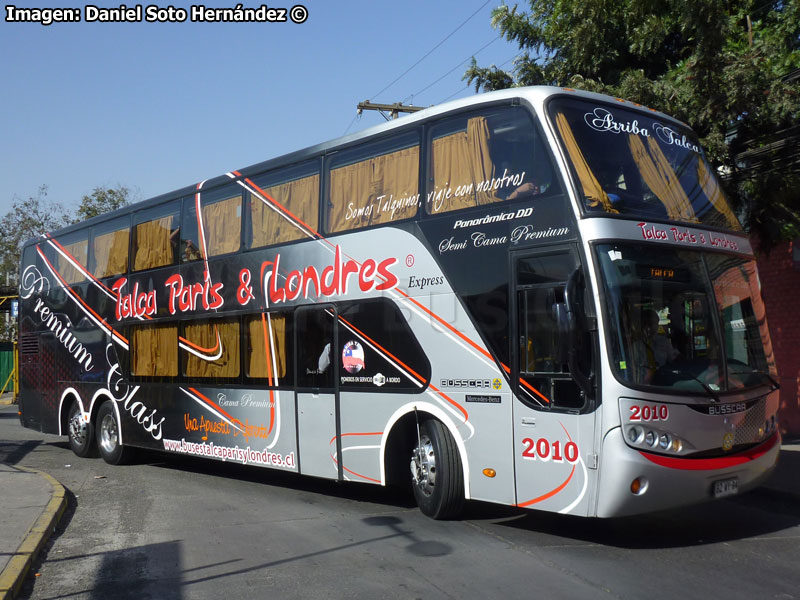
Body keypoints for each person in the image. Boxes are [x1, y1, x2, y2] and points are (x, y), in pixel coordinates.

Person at [633, 309, 679, 384]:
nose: (656, 326)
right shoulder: (635, 346)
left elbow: (673, 359)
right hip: (642, 384)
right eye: (652, 323)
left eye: (656, 323)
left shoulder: (663, 342)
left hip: (663, 381)